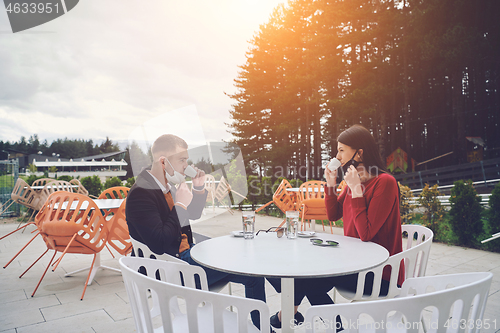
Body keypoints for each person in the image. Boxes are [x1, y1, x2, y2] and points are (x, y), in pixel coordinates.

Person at [268, 124, 404, 329]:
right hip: (355, 263)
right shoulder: (353, 183)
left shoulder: (385, 183)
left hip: (379, 273)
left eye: (341, 150)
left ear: (359, 153)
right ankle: (308, 319)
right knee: (307, 271)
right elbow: (333, 215)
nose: (337, 156)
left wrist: (356, 190)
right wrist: (330, 185)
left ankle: (289, 316)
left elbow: (366, 234)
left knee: (308, 278)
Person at [126, 134, 267, 328]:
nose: (186, 165)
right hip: (172, 268)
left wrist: (198, 190)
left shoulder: (166, 186)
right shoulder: (141, 193)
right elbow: (159, 243)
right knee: (245, 264)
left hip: (185, 255)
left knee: (251, 273)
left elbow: (191, 215)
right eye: (182, 160)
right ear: (163, 161)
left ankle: (263, 328)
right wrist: (180, 206)